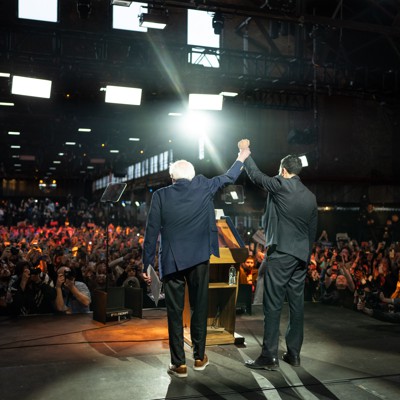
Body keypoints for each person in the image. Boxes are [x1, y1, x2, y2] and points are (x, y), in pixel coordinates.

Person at [142, 145, 250, 378]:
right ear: (191, 176)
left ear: (172, 178)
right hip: (200, 258)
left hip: (172, 261)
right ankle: (200, 358)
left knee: (174, 312)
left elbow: (151, 233)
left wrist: (146, 265)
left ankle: (179, 364)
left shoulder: (160, 195)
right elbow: (229, 177)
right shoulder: (203, 185)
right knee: (199, 307)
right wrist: (241, 156)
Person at [239, 139, 318, 370]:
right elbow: (312, 231)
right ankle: (294, 354)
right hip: (300, 256)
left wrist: (245, 152)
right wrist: (305, 256)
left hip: (281, 253)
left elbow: (256, 176)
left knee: (272, 305)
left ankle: (269, 357)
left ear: (283, 170)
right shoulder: (310, 196)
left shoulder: (281, 184)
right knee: (296, 306)